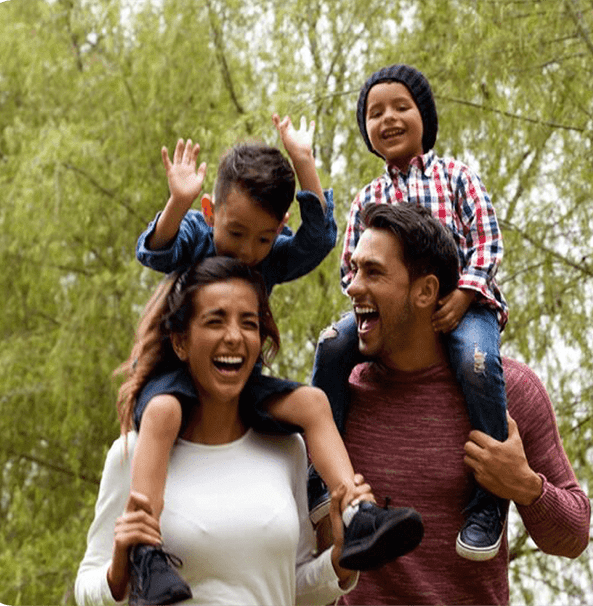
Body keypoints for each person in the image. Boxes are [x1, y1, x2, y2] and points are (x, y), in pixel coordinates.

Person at [127, 116, 423, 602]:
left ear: (278, 229)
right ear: (210, 213)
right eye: (236, 233)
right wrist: (178, 202)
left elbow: (319, 241)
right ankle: (146, 552)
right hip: (175, 378)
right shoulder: (198, 239)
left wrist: (304, 163)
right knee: (162, 412)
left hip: (241, 384)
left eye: (263, 239)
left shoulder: (269, 257)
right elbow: (155, 252)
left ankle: (355, 512)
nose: (247, 253)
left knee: (311, 403)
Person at [329, 202, 590, 605]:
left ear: (426, 291)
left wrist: (525, 486)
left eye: (373, 272)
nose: (353, 286)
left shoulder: (511, 390)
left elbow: (573, 536)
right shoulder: (340, 393)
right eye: (355, 269)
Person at [74, 256, 373, 605]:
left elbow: (292, 587)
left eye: (248, 323)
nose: (234, 337)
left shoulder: (286, 448)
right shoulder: (133, 453)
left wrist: (340, 563)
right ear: (181, 343)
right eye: (215, 321)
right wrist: (117, 573)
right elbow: (86, 589)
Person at [312, 64, 510, 561]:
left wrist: (462, 294)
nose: (389, 119)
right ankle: (317, 474)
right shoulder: (368, 199)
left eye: (401, 107)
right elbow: (349, 271)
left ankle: (490, 498)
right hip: (391, 314)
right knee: (332, 346)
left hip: (466, 307)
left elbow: (487, 243)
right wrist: (368, 297)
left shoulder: (457, 177)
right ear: (367, 132)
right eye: (375, 113)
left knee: (476, 363)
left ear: (426, 116)